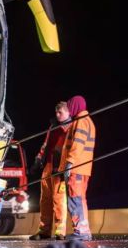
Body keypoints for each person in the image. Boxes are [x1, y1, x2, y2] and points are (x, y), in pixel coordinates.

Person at [30, 101, 70, 240]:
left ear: (68, 112)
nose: (58, 115)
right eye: (56, 112)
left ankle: (60, 231)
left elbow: (71, 149)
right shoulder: (53, 126)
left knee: (59, 199)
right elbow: (45, 145)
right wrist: (38, 160)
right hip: (48, 166)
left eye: (61, 113)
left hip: (59, 168)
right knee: (45, 200)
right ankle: (44, 231)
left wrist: (67, 168)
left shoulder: (71, 127)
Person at [59, 95, 96, 240]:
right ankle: (84, 229)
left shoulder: (80, 122)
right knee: (80, 199)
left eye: (70, 106)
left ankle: (81, 231)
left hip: (76, 168)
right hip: (83, 168)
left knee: (75, 199)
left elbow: (77, 144)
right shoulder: (88, 121)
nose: (69, 108)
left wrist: (69, 163)